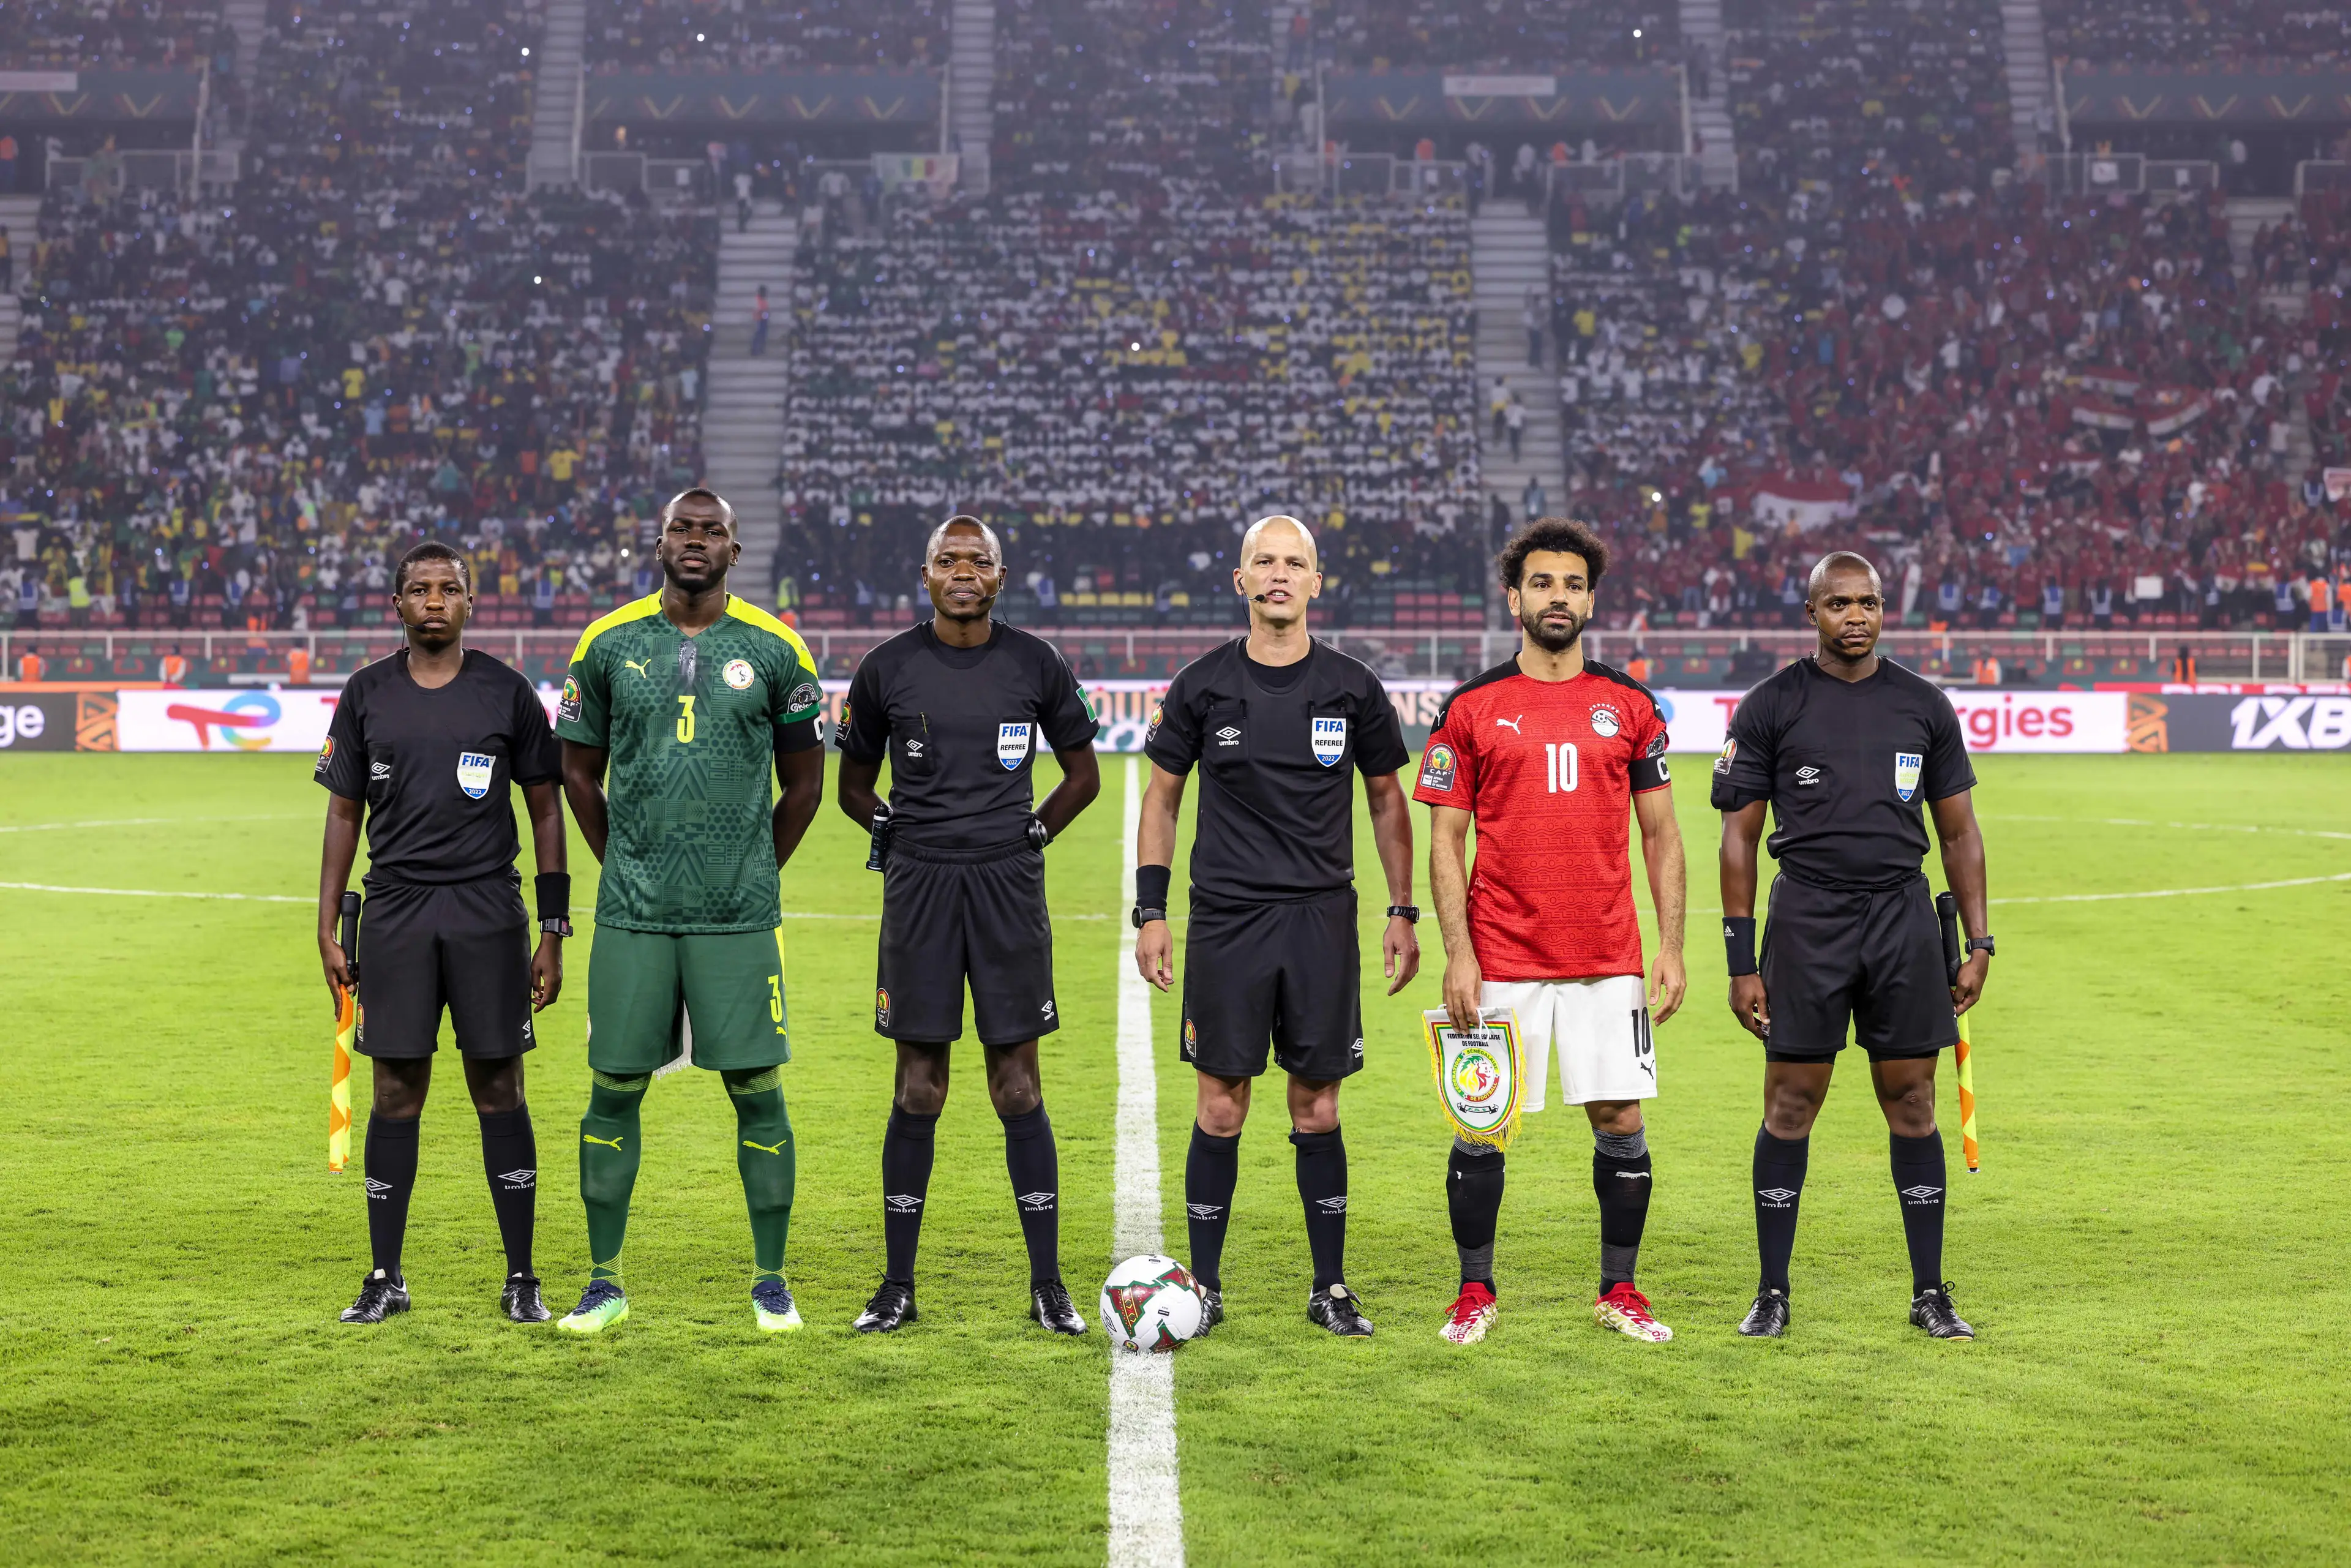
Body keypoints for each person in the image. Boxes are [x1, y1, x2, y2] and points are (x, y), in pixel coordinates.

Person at [1134, 515, 1420, 1338]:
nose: (1280, 575)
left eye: (1296, 562)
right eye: (1265, 561)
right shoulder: (1201, 686)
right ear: (1241, 580)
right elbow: (1162, 798)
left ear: (1317, 581)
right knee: (1221, 1108)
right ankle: (1205, 1288)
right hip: (1226, 920)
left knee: (1317, 1108)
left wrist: (1401, 910)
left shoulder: (1353, 687)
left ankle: (1329, 1286)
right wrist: (1152, 912)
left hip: (1321, 920)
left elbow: (1386, 802)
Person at [551, 488, 828, 1335]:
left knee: (756, 1090)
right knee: (613, 1090)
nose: (696, 541)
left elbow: (807, 782)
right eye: (683, 529)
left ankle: (771, 1283)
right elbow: (576, 770)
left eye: (713, 532)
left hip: (738, 916)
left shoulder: (776, 648)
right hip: (633, 913)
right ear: (660, 541)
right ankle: (604, 1282)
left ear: (735, 551)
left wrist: (749, 867)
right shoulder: (608, 643)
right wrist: (625, 860)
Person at [1415, 517, 1688, 1347]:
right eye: (1542, 583)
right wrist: (1459, 955)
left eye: (1572, 584)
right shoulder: (1470, 708)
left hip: (1608, 956)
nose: (1558, 597)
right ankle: (1474, 1291)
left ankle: (1621, 1289)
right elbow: (1444, 841)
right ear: (1514, 597)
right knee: (1482, 1122)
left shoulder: (1629, 705)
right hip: (1501, 957)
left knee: (1620, 1118)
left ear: (1590, 599)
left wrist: (1671, 947)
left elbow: (1664, 836)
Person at [1712, 551, 1993, 1341]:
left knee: (1913, 1101)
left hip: (1901, 919)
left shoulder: (1923, 705)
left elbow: (1960, 831)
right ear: (1812, 614)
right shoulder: (1772, 706)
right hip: (1806, 920)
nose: (1857, 616)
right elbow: (1738, 841)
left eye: (1868, 602)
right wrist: (1742, 961)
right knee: (1791, 1102)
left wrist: (1980, 941)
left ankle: (1930, 1293)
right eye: (1840, 604)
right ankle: (1772, 1292)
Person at [835, 514, 1103, 1335]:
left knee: (1016, 1082)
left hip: (1007, 888)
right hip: (919, 888)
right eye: (948, 560)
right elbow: (850, 786)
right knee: (919, 1084)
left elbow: (1084, 774)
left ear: (1000, 573)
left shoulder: (1035, 663)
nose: (962, 571)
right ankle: (897, 1286)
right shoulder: (886, 669)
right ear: (925, 575)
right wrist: (894, 832)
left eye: (977, 560)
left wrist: (1034, 834)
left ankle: (1048, 1283)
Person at [315, 539, 569, 1326]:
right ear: (398, 606)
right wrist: (325, 921)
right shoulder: (366, 694)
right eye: (419, 589)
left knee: (500, 1086)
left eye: (448, 588)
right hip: (394, 912)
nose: (434, 599)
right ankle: (384, 1274)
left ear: (469, 602)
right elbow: (343, 812)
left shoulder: (508, 691)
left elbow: (547, 808)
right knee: (397, 1089)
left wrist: (553, 927)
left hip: (489, 912)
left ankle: (522, 1276)